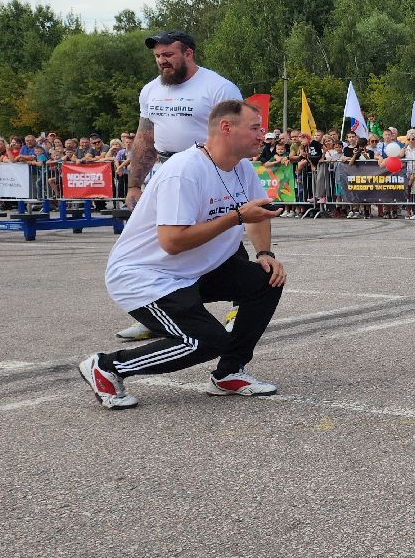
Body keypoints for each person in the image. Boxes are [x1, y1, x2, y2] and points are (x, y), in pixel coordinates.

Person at [77, 99, 286, 410]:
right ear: (226, 128)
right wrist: (236, 217)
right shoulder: (185, 171)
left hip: (195, 270)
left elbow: (259, 213)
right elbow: (173, 241)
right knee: (206, 340)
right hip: (147, 276)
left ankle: (229, 373)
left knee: (266, 279)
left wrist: (265, 252)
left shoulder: (241, 167)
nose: (263, 136)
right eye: (255, 128)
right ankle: (107, 366)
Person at [116, 30, 242, 342]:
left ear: (188, 53)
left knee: (222, 234)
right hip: (164, 171)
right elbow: (146, 138)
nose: (162, 61)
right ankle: (154, 311)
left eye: (168, 55)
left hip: (205, 169)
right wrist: (134, 186)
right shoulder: (150, 91)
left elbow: (233, 134)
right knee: (158, 245)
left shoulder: (218, 87)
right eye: (158, 56)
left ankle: (242, 301)